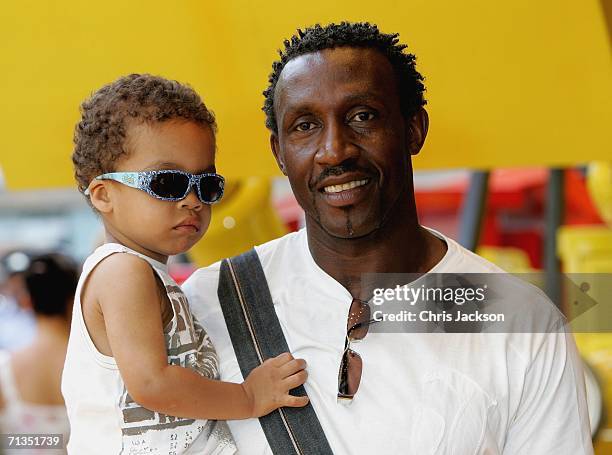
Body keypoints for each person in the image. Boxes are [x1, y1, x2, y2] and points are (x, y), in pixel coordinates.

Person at [183, 22, 594, 454]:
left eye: (363, 117)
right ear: (279, 153)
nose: (334, 150)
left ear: (414, 129)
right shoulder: (209, 304)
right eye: (305, 125)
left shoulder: (520, 322)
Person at [62, 74, 309, 455]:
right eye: (167, 183)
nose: (192, 200)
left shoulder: (147, 273)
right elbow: (152, 384)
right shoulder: (123, 272)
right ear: (104, 195)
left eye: (206, 185)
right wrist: (248, 397)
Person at [0, 253, 77, 454]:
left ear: (27, 301)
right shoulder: (94, 365)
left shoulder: (5, 369)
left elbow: (7, 441)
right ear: (74, 299)